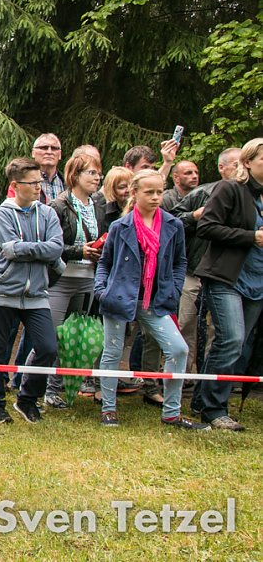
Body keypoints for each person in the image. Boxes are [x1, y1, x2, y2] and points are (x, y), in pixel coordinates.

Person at [94, 169, 207, 429]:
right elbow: (105, 262)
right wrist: (101, 291)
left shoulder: (173, 225)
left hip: (156, 300)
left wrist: (175, 289)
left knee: (178, 349)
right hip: (119, 297)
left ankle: (172, 413)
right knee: (112, 352)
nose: (156, 197)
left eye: (159, 192)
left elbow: (180, 262)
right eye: (150, 192)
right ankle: (108, 409)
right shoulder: (120, 226)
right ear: (135, 193)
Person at [0, 157, 63, 424]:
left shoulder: (48, 213)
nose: (39, 187)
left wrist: (28, 249)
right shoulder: (3, 212)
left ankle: (27, 399)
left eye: (40, 181)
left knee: (48, 347)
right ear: (16, 185)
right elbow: (9, 250)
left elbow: (56, 248)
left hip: (37, 294)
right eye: (33, 183)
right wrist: (42, 249)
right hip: (4, 291)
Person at [195, 138, 263, 431]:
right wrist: (251, 237)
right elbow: (206, 226)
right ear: (247, 162)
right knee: (231, 340)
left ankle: (203, 400)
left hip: (258, 282)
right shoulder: (230, 189)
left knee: (238, 346)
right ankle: (214, 410)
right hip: (227, 277)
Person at [40, 152, 107, 409]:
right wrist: (79, 251)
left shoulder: (98, 205)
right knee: (51, 337)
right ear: (75, 175)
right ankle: (32, 385)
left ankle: (56, 390)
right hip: (60, 279)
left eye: (99, 173)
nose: (97, 178)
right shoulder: (58, 206)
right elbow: (51, 245)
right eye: (91, 172)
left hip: (88, 279)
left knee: (72, 337)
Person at [171, 147, 241, 381]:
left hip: (229, 275)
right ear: (222, 168)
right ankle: (182, 378)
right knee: (185, 324)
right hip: (194, 270)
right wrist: (194, 216)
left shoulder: (249, 197)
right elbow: (172, 221)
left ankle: (211, 379)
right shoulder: (203, 192)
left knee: (221, 331)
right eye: (237, 164)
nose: (242, 169)